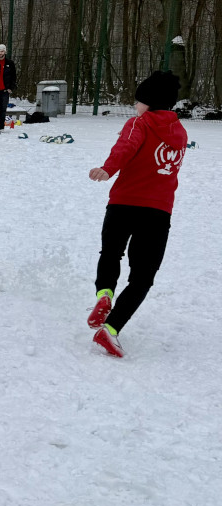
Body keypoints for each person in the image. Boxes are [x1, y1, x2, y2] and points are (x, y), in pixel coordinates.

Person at [86, 70, 187, 358]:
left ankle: (104, 294)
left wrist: (108, 169)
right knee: (143, 277)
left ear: (150, 102)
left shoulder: (138, 123)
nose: (135, 106)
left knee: (111, 253)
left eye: (138, 101)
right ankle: (111, 329)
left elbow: (126, 146)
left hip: (123, 204)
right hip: (158, 212)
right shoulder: (180, 133)